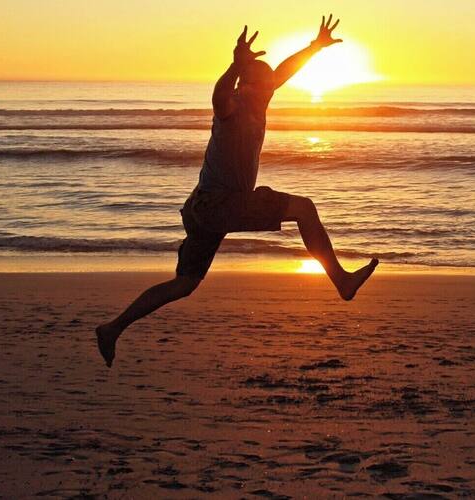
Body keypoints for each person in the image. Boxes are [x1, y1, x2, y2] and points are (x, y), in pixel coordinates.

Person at [95, 15, 377, 367]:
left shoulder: (259, 100)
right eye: (263, 83)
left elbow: (284, 72)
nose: (271, 88)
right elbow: (218, 96)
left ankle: (112, 328)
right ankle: (342, 281)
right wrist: (234, 66)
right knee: (304, 209)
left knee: (185, 284)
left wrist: (314, 48)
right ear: (245, 86)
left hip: (202, 208)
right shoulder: (232, 107)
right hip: (219, 204)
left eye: (271, 84)